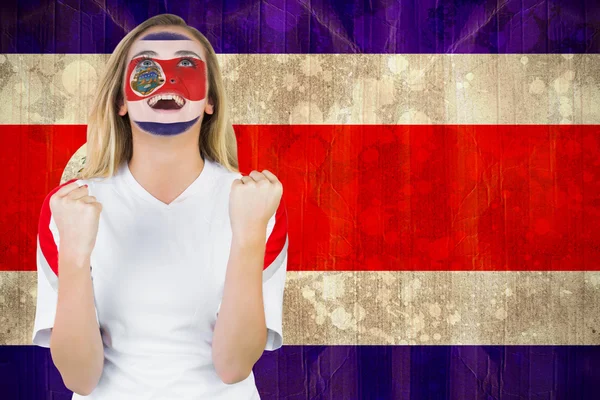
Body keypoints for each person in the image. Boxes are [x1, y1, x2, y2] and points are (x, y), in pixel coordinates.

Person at [31, 13, 288, 400]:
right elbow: (79, 378)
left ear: (210, 101)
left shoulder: (257, 202)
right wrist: (75, 256)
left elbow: (233, 366)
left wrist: (249, 235)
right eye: (147, 66)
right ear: (120, 100)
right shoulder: (68, 206)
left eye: (186, 64)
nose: (167, 80)